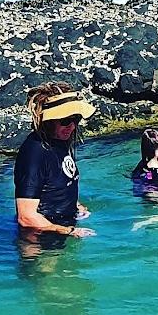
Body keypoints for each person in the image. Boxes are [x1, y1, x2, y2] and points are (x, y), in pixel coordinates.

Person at [14, 84, 95, 242]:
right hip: (40, 237)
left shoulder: (61, 140)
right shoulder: (34, 153)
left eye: (76, 119)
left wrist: (76, 206)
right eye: (65, 121)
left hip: (65, 227)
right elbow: (26, 217)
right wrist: (68, 231)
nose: (72, 126)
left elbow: (57, 182)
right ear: (50, 121)